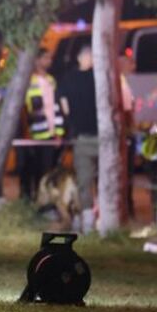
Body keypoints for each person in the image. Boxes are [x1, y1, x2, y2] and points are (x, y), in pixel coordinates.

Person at [57, 45, 97, 233]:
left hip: (81, 136)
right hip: (95, 136)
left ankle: (87, 219)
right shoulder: (98, 78)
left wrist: (71, 122)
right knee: (93, 180)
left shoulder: (68, 79)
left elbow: (65, 107)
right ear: (84, 57)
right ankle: (91, 220)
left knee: (84, 180)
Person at [18, 50, 65, 202]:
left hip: (49, 133)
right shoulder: (28, 80)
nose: (49, 61)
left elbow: (55, 107)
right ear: (36, 60)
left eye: (50, 57)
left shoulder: (51, 80)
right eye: (46, 58)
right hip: (33, 133)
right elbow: (25, 108)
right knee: (32, 170)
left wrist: (58, 131)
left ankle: (44, 201)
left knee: (47, 171)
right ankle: (31, 201)